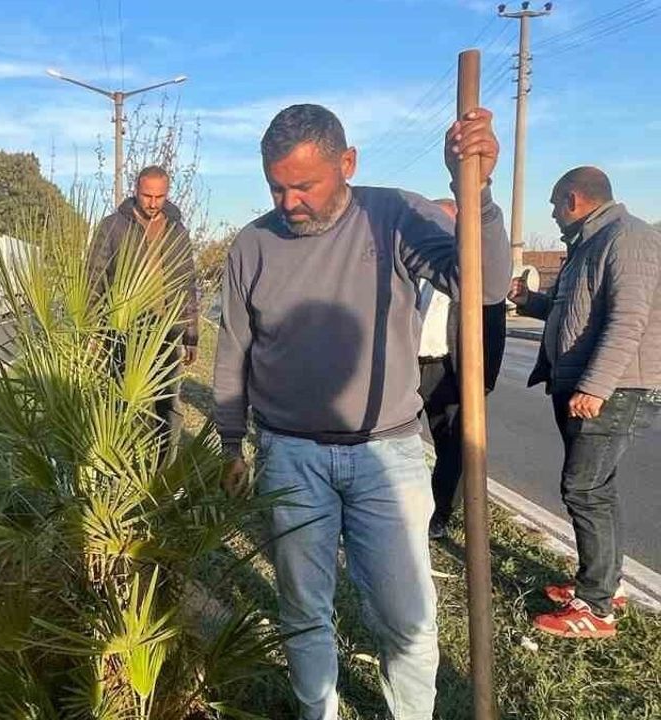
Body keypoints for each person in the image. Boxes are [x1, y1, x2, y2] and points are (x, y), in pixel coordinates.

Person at [214, 104, 509, 719]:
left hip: (387, 454)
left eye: (303, 185)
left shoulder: (392, 215)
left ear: (346, 163)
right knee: (303, 610)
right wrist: (231, 442)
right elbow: (234, 346)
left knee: (408, 617)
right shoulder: (252, 244)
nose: (288, 201)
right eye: (276, 186)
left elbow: (481, 286)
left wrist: (473, 190)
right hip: (289, 455)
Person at [509, 166, 661, 638]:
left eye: (554, 205)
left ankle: (595, 609)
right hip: (586, 385)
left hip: (613, 388)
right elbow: (570, 308)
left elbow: (628, 319)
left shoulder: (627, 238)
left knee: (584, 489)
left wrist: (595, 386)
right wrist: (529, 299)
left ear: (573, 198)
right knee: (598, 489)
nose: (552, 215)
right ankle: (603, 584)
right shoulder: (589, 244)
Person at [89, 165, 200, 450]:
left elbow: (187, 283)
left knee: (166, 404)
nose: (152, 203)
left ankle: (162, 472)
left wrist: (191, 334)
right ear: (135, 190)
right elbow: (95, 278)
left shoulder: (177, 231)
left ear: (167, 194)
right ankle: (120, 465)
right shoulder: (113, 226)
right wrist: (92, 331)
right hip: (124, 331)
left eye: (159, 196)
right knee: (121, 403)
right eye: (146, 195)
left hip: (165, 332)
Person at [417, 199, 508, 539]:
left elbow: (493, 324)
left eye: (443, 222)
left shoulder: (476, 268)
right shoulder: (416, 263)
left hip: (451, 371)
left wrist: (483, 379)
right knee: (397, 444)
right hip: (409, 367)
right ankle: (401, 510)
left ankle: (438, 515)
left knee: (452, 448)